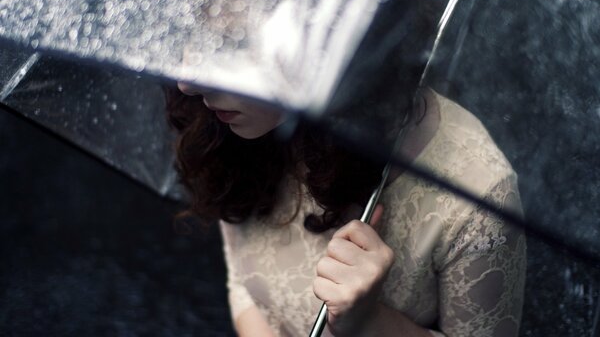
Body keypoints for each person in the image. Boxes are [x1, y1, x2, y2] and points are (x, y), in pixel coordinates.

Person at [166, 80, 526, 337]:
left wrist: (369, 323)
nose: (185, 83)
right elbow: (244, 283)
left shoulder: (478, 198)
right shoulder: (228, 125)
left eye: (231, 39)